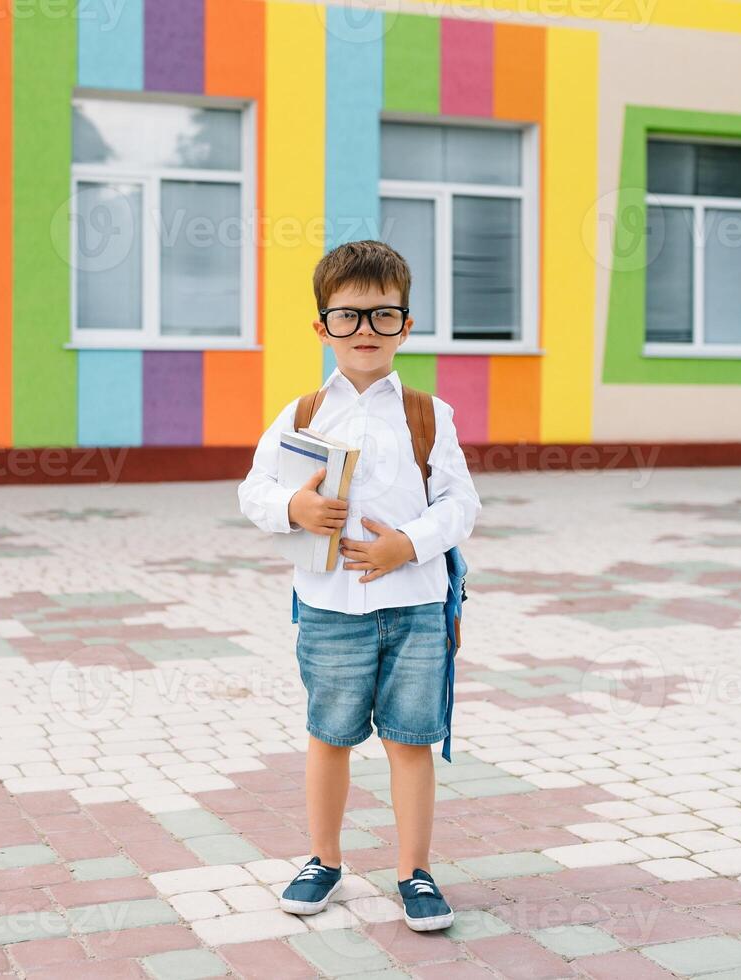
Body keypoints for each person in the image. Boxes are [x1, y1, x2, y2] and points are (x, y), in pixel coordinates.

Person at [237, 239, 481, 930]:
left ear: (406, 325)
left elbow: (462, 504)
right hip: (330, 608)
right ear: (322, 327)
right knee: (330, 735)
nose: (365, 332)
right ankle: (324, 860)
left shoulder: (430, 414)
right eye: (347, 317)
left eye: (382, 316)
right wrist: (294, 508)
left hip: (415, 607)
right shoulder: (303, 413)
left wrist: (411, 544)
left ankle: (415, 871)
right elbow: (252, 491)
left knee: (410, 741)